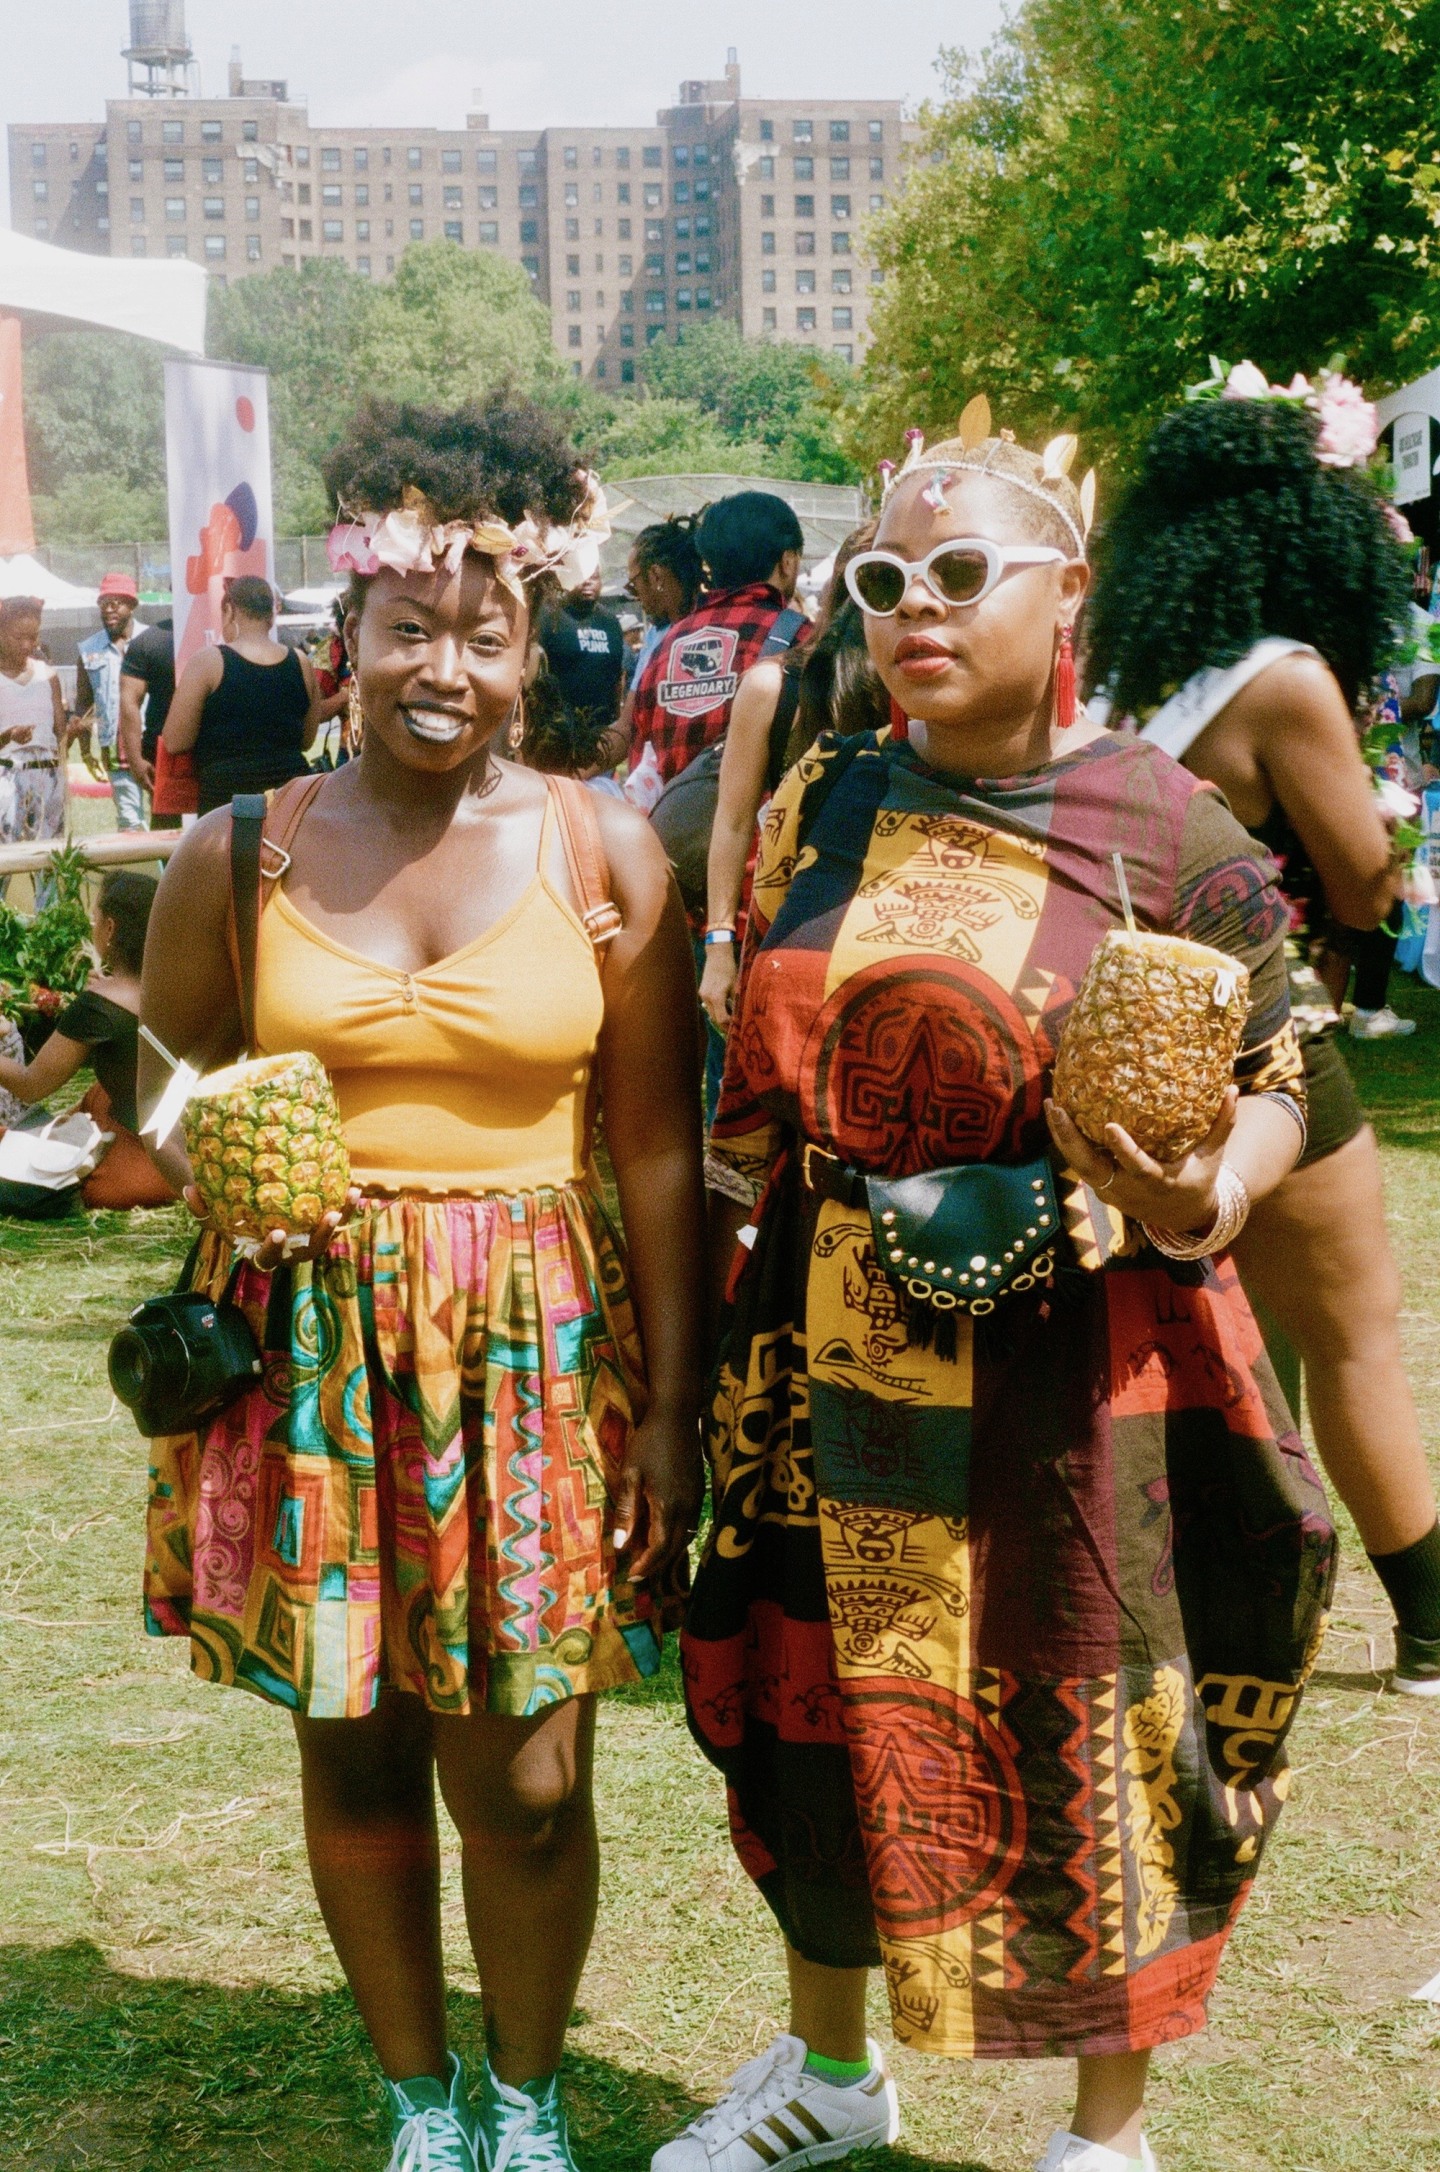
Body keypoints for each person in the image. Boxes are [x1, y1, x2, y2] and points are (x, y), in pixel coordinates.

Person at [674, 423, 1333, 2172]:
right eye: (887, 580)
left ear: (1068, 595)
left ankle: (1104, 2132)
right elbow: (752, 1073)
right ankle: (829, 2073)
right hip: (826, 1344)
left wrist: (1220, 1186)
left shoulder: (1159, 816)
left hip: (1071, 1360)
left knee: (1104, 1712)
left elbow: (1283, 1064)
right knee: (807, 1704)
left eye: (965, 574)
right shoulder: (829, 793)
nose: (917, 611)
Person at [137, 393, 706, 2172]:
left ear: (531, 644)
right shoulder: (246, 854)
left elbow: (659, 1151)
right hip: (306, 1349)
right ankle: (419, 2105)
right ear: (346, 637)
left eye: (483, 628)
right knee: (356, 1743)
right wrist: (186, 1142)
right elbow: (162, 1114)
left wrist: (673, 1409)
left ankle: (527, 2100)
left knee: (527, 1776)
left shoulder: (607, 852)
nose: (440, 663)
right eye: (407, 627)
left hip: (533, 1345)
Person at [1084, 384, 1440, 1698]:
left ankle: (1195, 1598)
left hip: (1125, 1055)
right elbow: (1361, 884)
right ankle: (1432, 1628)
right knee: (1353, 1335)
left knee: (1198, 1340)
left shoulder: (1118, 671)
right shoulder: (1281, 679)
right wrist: (1395, 836)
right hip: (1264, 1044)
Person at [699, 526, 885, 1035]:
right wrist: (719, 946)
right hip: (780, 935)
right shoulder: (775, 685)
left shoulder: (930, 694)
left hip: (884, 940)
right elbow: (733, 820)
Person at [0, 871, 175, 1216]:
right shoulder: (173, 984)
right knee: (98, 1095)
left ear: (110, 929)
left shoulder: (99, 1006)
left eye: (94, 919)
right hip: (182, 1143)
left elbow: (30, 1086)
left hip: (143, 1166)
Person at [615, 490, 808, 787]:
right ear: (787, 561)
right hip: (764, 829)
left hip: (674, 827)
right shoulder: (803, 640)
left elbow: (643, 768)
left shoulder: (662, 650)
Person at [163, 575, 321, 816]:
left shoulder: (207, 662)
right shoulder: (300, 661)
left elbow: (175, 741)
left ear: (229, 610)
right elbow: (306, 740)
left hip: (226, 801)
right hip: (289, 800)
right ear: (271, 614)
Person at [0, 596, 71, 894]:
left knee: (48, 862)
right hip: (6, 780)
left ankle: (49, 926)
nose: (28, 645)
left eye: (34, 637)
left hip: (47, 777)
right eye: (19, 637)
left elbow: (59, 733)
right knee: (5, 861)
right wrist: (8, 736)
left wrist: (73, 730)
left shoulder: (48, 676)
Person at [75, 571, 145, 831]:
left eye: (117, 602)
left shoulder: (152, 642)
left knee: (165, 819)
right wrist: (85, 751)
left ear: (132, 605)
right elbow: (83, 703)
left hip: (151, 744)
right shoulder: (88, 650)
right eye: (104, 603)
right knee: (129, 822)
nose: (109, 609)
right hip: (116, 746)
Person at [118, 614, 190, 830]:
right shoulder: (149, 641)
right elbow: (129, 700)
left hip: (225, 753)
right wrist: (135, 758)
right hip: (168, 753)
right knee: (169, 833)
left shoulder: (230, 636)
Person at [538, 568, 627, 731]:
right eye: (581, 575)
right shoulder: (549, 617)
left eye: (594, 577)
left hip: (602, 728)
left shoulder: (610, 622)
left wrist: (617, 718)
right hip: (559, 729)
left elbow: (617, 678)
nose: (587, 582)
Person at [627, 513, 704, 684]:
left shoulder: (706, 629)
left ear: (656, 576)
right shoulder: (655, 634)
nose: (634, 595)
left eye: (633, 584)